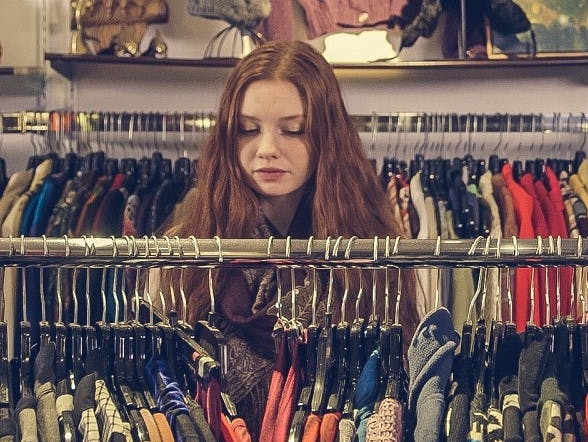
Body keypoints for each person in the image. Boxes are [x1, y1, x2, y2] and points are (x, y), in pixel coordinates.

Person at [159, 40, 418, 438]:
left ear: (324, 137)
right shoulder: (189, 250)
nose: (266, 149)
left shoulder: (371, 254)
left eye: (292, 130)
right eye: (248, 130)